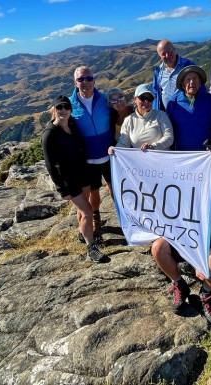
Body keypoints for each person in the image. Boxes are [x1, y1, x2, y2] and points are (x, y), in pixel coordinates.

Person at [151, 164, 211, 323]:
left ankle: (206, 293)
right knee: (158, 247)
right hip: (185, 238)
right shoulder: (192, 193)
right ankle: (179, 284)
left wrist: (200, 258)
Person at [42, 96, 107, 263]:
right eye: (59, 107)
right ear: (54, 110)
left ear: (71, 110)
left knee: (83, 208)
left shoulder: (72, 126)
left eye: (66, 107)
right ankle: (91, 247)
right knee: (87, 211)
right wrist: (61, 189)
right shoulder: (50, 133)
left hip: (83, 173)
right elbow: (50, 165)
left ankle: (82, 233)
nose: (63, 110)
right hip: (69, 180)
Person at [68, 66, 113, 238]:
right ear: (75, 82)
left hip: (110, 155)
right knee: (93, 193)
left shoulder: (105, 100)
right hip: (88, 160)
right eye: (81, 79)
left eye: (88, 78)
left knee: (115, 189)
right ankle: (94, 218)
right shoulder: (70, 105)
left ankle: (126, 219)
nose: (85, 82)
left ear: (94, 80)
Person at [166, 65, 211, 151]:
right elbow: (169, 128)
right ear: (182, 84)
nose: (192, 82)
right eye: (188, 79)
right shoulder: (173, 102)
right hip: (181, 153)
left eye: (195, 78)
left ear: (200, 82)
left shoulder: (210, 100)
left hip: (206, 153)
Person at [108, 84, 174, 153]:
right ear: (135, 99)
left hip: (162, 160)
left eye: (150, 98)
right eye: (142, 98)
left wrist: (153, 146)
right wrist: (115, 149)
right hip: (141, 162)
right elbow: (124, 143)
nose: (146, 101)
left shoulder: (161, 115)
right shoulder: (129, 120)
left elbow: (169, 138)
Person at [152, 40, 195, 111]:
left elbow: (200, 87)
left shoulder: (188, 66)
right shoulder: (158, 72)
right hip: (167, 116)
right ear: (160, 56)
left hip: (186, 114)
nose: (167, 56)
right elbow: (156, 94)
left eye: (170, 52)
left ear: (174, 50)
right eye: (163, 54)